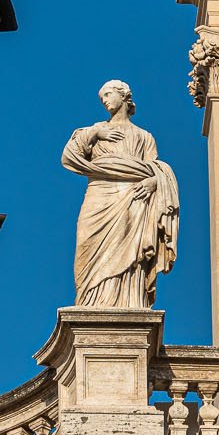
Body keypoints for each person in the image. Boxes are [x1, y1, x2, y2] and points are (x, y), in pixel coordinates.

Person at [61, 80, 179, 307]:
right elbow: (69, 157)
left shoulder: (144, 136)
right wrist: (94, 132)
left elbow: (155, 168)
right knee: (87, 246)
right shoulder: (94, 131)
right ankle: (89, 301)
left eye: (108, 94)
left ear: (124, 95)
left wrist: (154, 182)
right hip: (99, 194)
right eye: (101, 98)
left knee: (131, 254)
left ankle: (128, 301)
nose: (104, 100)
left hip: (134, 198)